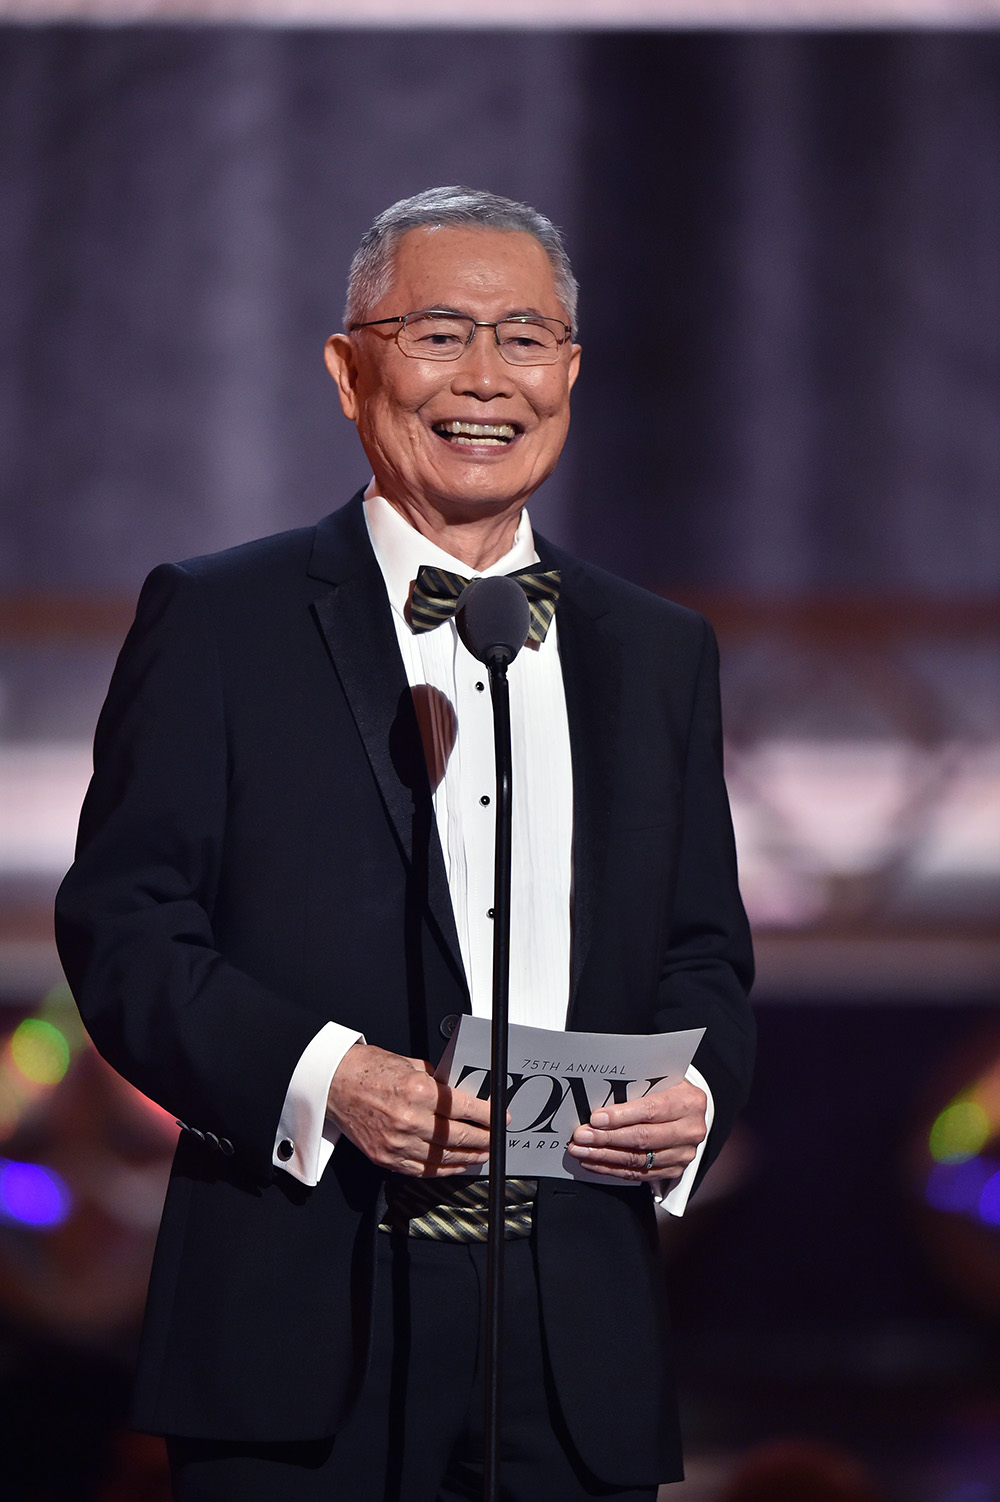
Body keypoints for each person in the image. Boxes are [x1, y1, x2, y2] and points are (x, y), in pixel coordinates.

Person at [55, 187, 755, 1501]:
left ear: (571, 372)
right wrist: (333, 1079)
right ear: (346, 368)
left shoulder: (660, 650)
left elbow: (705, 954)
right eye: (439, 334)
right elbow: (128, 930)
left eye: (524, 337)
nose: (486, 378)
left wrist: (696, 1097)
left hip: (576, 1336)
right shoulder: (219, 619)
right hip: (301, 1328)